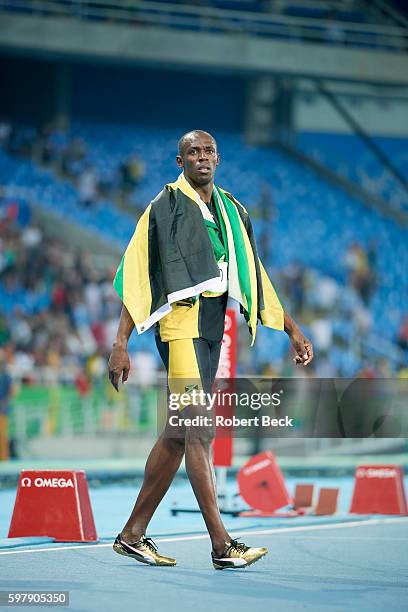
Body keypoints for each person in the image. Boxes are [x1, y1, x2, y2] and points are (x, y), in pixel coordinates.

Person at [108, 130, 313, 570]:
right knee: (199, 429)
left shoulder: (231, 210)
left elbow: (254, 273)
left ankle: (131, 534)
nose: (201, 158)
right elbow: (137, 274)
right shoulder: (163, 207)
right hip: (181, 326)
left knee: (179, 433)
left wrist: (292, 329)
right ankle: (222, 545)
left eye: (208, 151)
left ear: (217, 159)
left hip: (212, 326)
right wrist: (120, 342)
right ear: (179, 161)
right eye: (192, 152)